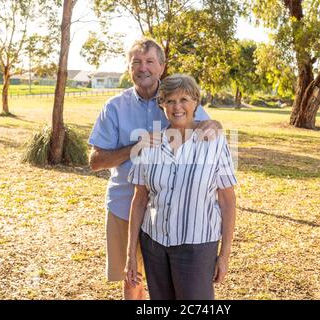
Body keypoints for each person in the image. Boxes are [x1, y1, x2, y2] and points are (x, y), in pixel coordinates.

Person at [88, 39, 221, 300]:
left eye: (149, 61)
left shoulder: (176, 96)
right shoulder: (114, 107)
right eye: (136, 62)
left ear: (161, 66)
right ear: (129, 68)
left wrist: (215, 124)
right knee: (132, 280)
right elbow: (95, 161)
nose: (143, 68)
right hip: (125, 205)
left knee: (169, 286)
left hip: (170, 213)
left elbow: (208, 128)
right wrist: (138, 146)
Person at [125, 74, 237, 300]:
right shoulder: (148, 143)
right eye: (170, 100)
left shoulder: (214, 141)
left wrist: (224, 255)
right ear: (162, 104)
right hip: (154, 243)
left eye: (184, 99)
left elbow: (227, 201)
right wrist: (130, 255)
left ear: (196, 102)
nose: (177, 107)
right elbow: (139, 201)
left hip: (197, 245)